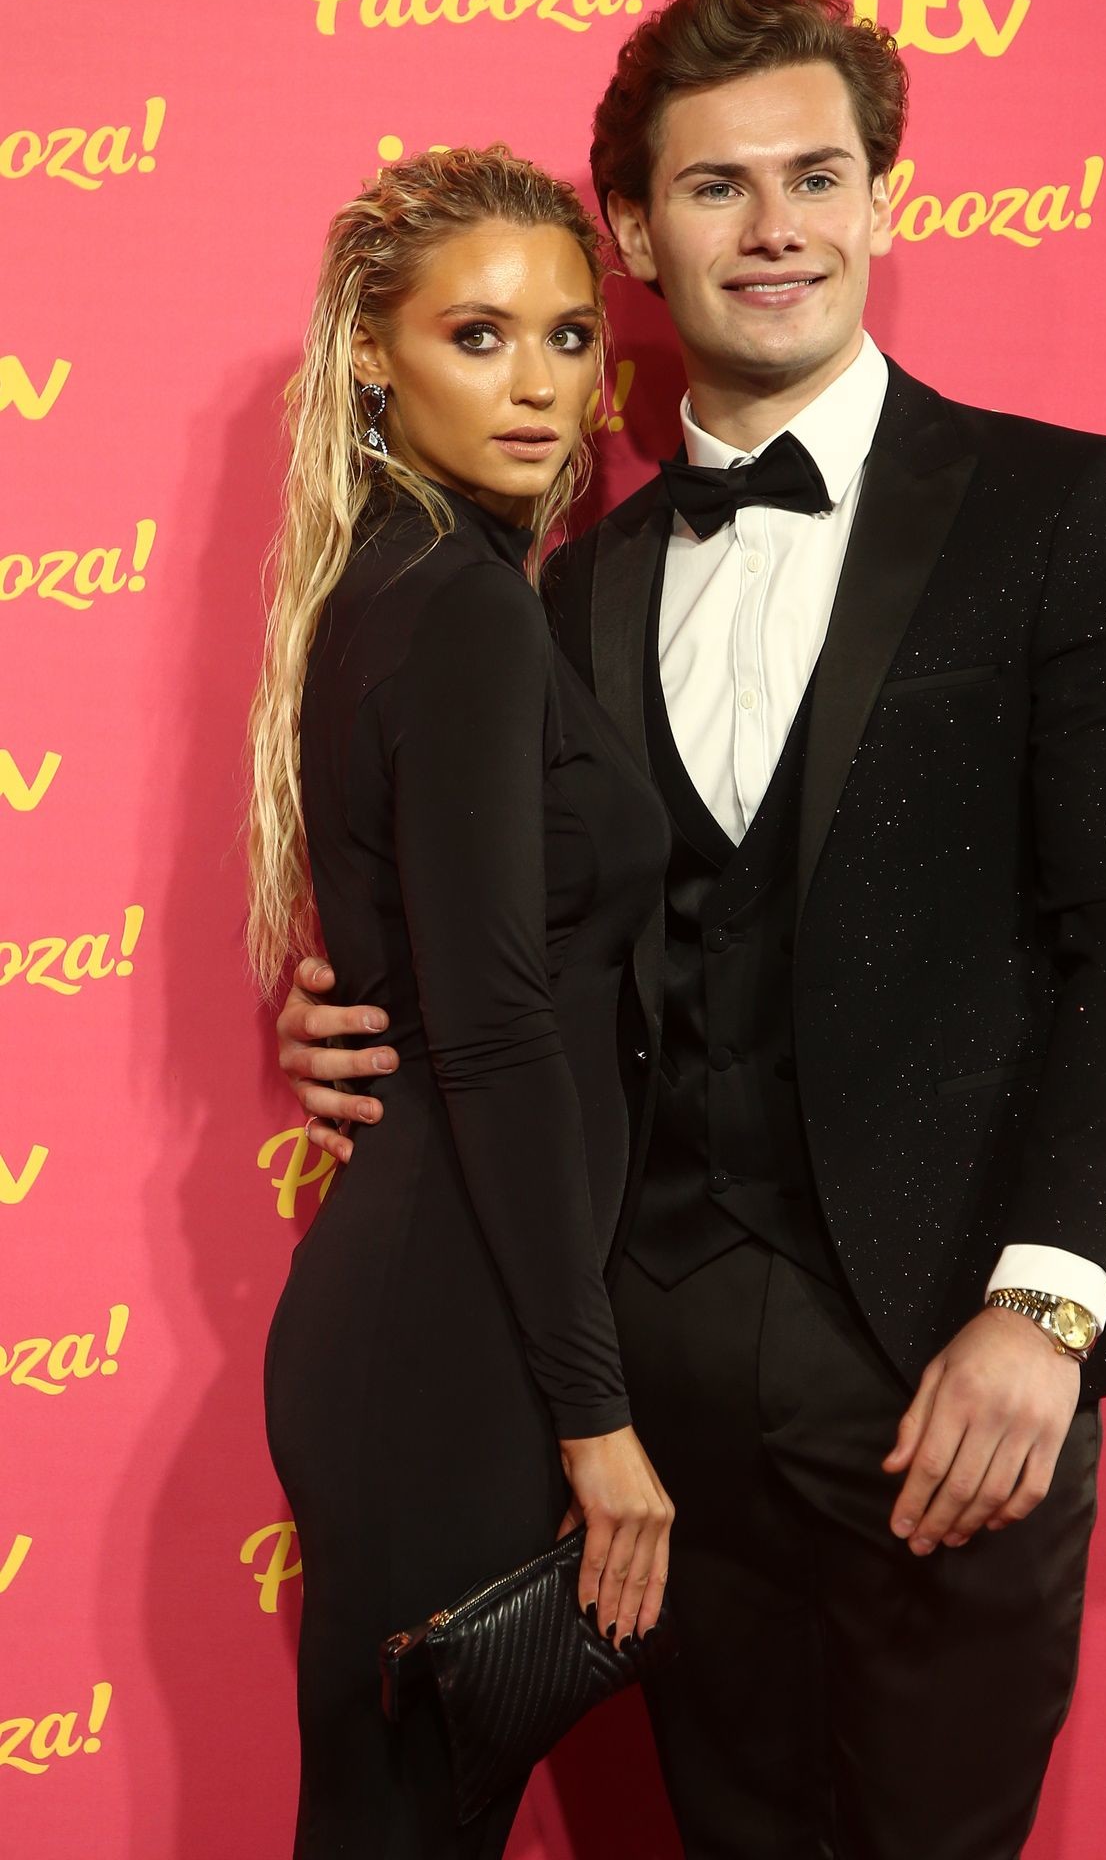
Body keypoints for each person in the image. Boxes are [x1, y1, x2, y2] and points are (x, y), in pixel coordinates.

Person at [275, 0, 1106, 1859]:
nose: (777, 226)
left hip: (954, 1371)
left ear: (885, 199)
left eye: (817, 176)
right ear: (636, 233)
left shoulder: (1065, 505)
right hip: (653, 1384)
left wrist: (1046, 1308)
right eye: (718, 187)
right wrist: (359, 1008)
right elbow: (517, 947)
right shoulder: (560, 585)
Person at [245, 144, 674, 1859]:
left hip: (425, 1311)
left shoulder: (395, 587)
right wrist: (598, 1422)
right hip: (455, 1333)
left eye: (569, 337)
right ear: (373, 353)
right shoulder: (465, 614)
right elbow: (494, 1037)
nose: (541, 385)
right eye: (477, 337)